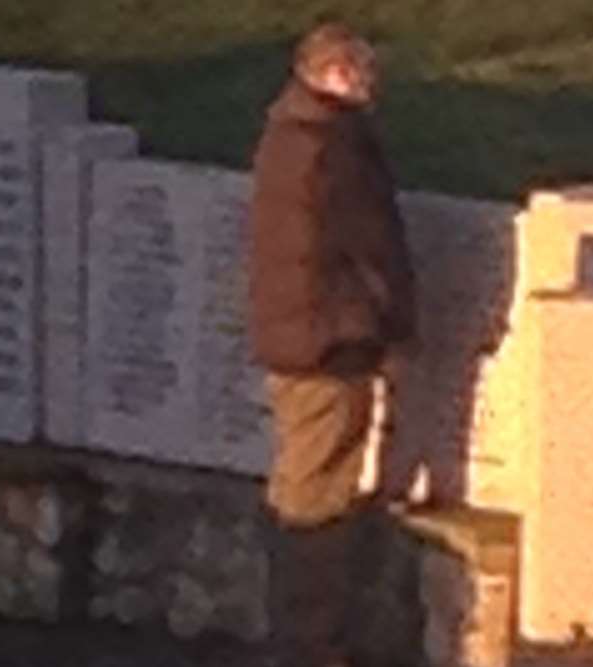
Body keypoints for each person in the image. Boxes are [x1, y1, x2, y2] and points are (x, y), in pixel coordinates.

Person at [248, 22, 418, 667]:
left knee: (303, 479)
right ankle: (311, 643)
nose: (374, 88)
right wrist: (396, 327)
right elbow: (372, 246)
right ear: (339, 75)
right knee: (320, 493)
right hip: (330, 342)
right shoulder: (333, 145)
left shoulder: (288, 133)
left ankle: (301, 636)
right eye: (365, 73)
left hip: (294, 337)